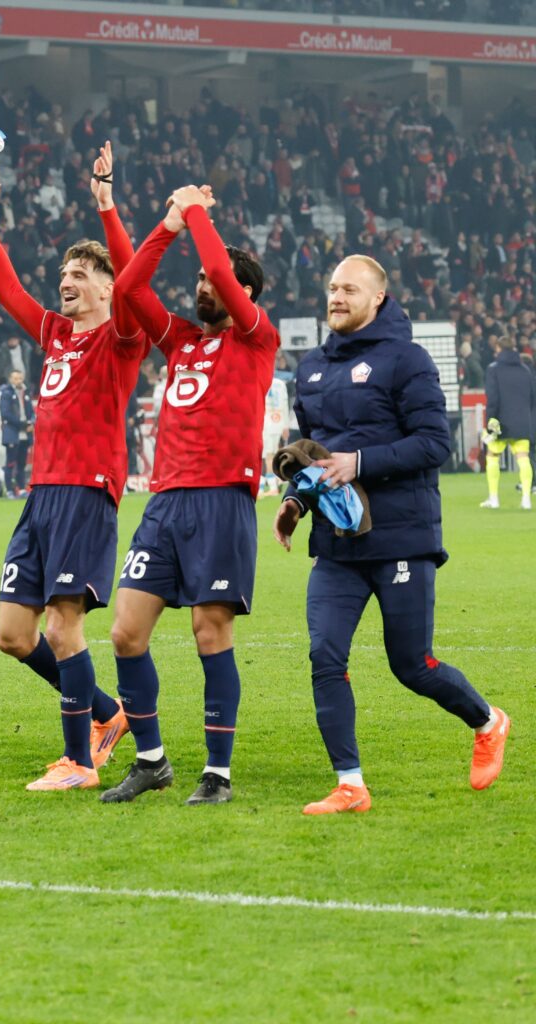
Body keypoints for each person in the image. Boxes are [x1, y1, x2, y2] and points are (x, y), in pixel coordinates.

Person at [275, 256, 510, 813]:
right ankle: (350, 784)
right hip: (338, 543)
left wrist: (360, 461)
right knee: (325, 656)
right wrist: (295, 500)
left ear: (378, 297)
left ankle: (487, 720)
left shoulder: (408, 360)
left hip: (403, 538)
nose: (336, 296)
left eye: (349, 288)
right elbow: (313, 456)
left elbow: (435, 444)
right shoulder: (310, 369)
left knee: (412, 665)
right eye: (332, 287)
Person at [105, 184, 280, 806]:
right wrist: (167, 222)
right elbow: (127, 290)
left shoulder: (258, 338)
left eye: (216, 280)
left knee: (211, 632)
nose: (203, 287)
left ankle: (218, 772)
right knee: (126, 632)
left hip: (223, 502)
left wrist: (200, 214)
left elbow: (228, 285)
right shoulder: (180, 340)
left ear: (244, 291)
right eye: (201, 279)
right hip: (166, 503)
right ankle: (151, 760)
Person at [0, 153, 141, 791]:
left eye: (80, 274)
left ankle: (77, 762)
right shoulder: (57, 335)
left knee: (62, 625)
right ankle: (104, 714)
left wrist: (106, 205)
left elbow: (133, 277)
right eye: (63, 272)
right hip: (41, 497)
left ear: (105, 288)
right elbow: (9, 290)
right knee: (14, 635)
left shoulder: (121, 336)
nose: (65, 281)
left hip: (86, 491)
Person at [481, 335, 535, 510]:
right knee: (523, 457)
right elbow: (532, 398)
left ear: (498, 348)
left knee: (492, 456)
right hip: (522, 421)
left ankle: (494, 499)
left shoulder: (493, 369)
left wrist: (490, 422)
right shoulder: (525, 370)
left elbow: (493, 399)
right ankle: (526, 499)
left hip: (500, 422)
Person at [261, 351, 290, 497]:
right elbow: (285, 405)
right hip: (277, 421)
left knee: (268, 454)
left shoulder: (261, 382)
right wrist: (285, 425)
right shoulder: (280, 384)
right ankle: (272, 482)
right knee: (271, 452)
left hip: (267, 422)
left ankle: (271, 486)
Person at [0, 368, 30, 496]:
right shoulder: (6, 393)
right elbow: (5, 413)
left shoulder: (26, 392)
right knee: (10, 463)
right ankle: (10, 490)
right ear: (11, 379)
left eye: (20, 378)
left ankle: (21, 489)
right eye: (15, 378)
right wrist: (23, 424)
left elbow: (30, 412)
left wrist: (31, 422)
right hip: (12, 432)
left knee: (22, 463)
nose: (18, 381)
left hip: (25, 434)